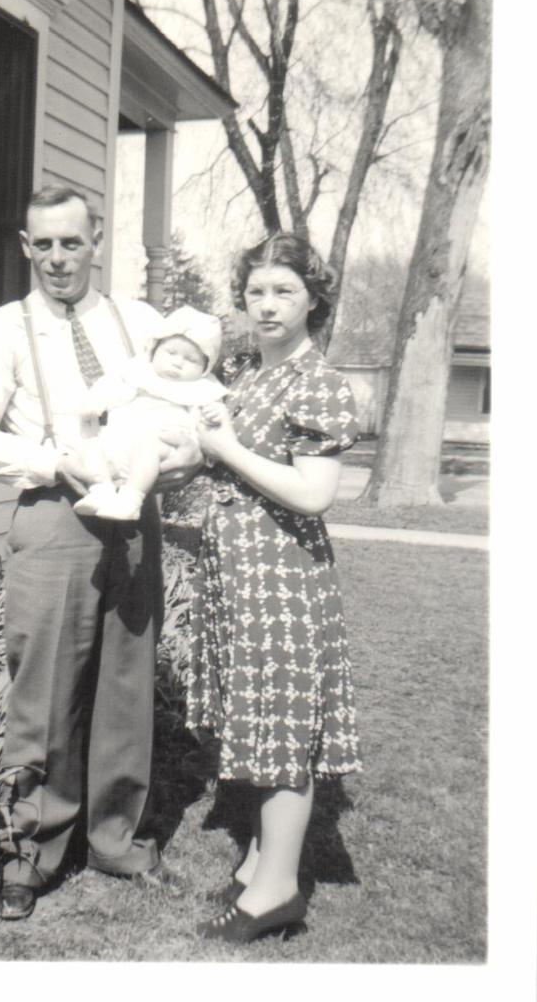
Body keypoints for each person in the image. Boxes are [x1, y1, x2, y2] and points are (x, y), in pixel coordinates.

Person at [0, 184, 199, 921]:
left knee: (125, 681)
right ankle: (33, 851)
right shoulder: (2, 329)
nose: (57, 258)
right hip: (53, 517)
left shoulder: (140, 323)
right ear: (26, 248)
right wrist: (58, 459)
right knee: (44, 689)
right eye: (43, 245)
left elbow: (183, 408)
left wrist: (180, 460)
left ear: (96, 242)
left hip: (134, 515)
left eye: (71, 242)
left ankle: (115, 836)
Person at [186, 232, 362, 945]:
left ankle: (278, 891)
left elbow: (313, 494)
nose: (266, 304)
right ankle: (263, 858)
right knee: (255, 717)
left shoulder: (316, 382)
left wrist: (223, 449)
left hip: (282, 575)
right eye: (255, 290)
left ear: (312, 299)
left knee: (281, 723)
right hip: (237, 571)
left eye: (283, 291)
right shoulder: (246, 373)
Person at [74, 304, 227, 521]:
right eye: (171, 352)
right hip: (119, 440)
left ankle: (131, 499)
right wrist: (94, 403)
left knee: (148, 445)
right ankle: (101, 490)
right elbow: (109, 388)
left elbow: (209, 423)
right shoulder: (138, 372)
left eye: (191, 359)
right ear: (154, 349)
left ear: (205, 368)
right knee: (90, 440)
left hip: (160, 445)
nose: (177, 363)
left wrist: (212, 415)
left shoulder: (202, 389)